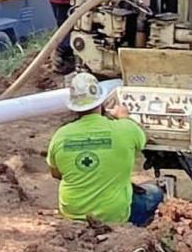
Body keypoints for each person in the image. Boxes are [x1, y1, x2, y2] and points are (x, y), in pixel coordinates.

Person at [46, 72, 164, 227]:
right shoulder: (124, 129)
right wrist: (123, 117)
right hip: (114, 213)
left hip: (73, 213)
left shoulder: (60, 136)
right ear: (101, 102)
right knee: (155, 193)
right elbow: (145, 137)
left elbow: (56, 174)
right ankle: (136, 232)